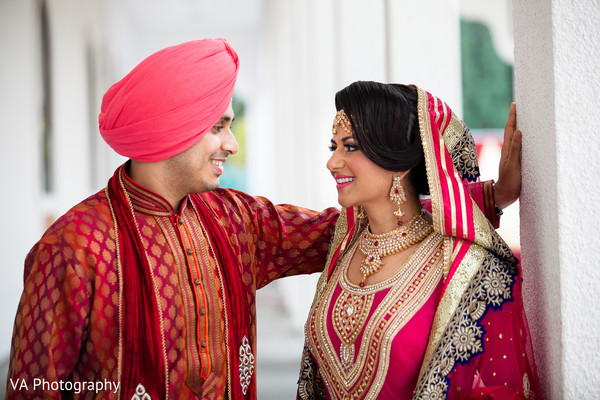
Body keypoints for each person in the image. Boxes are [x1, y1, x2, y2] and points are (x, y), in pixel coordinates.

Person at [5, 39, 516, 399]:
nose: (231, 143)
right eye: (219, 127)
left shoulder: (233, 220)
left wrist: (488, 195)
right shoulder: (73, 250)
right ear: (172, 132)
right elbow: (34, 387)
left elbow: (363, 226)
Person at [297, 81, 540, 399]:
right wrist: (491, 197)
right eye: (334, 147)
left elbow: (499, 389)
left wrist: (496, 196)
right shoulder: (343, 244)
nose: (332, 162)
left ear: (399, 160)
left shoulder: (473, 270)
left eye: (351, 146)